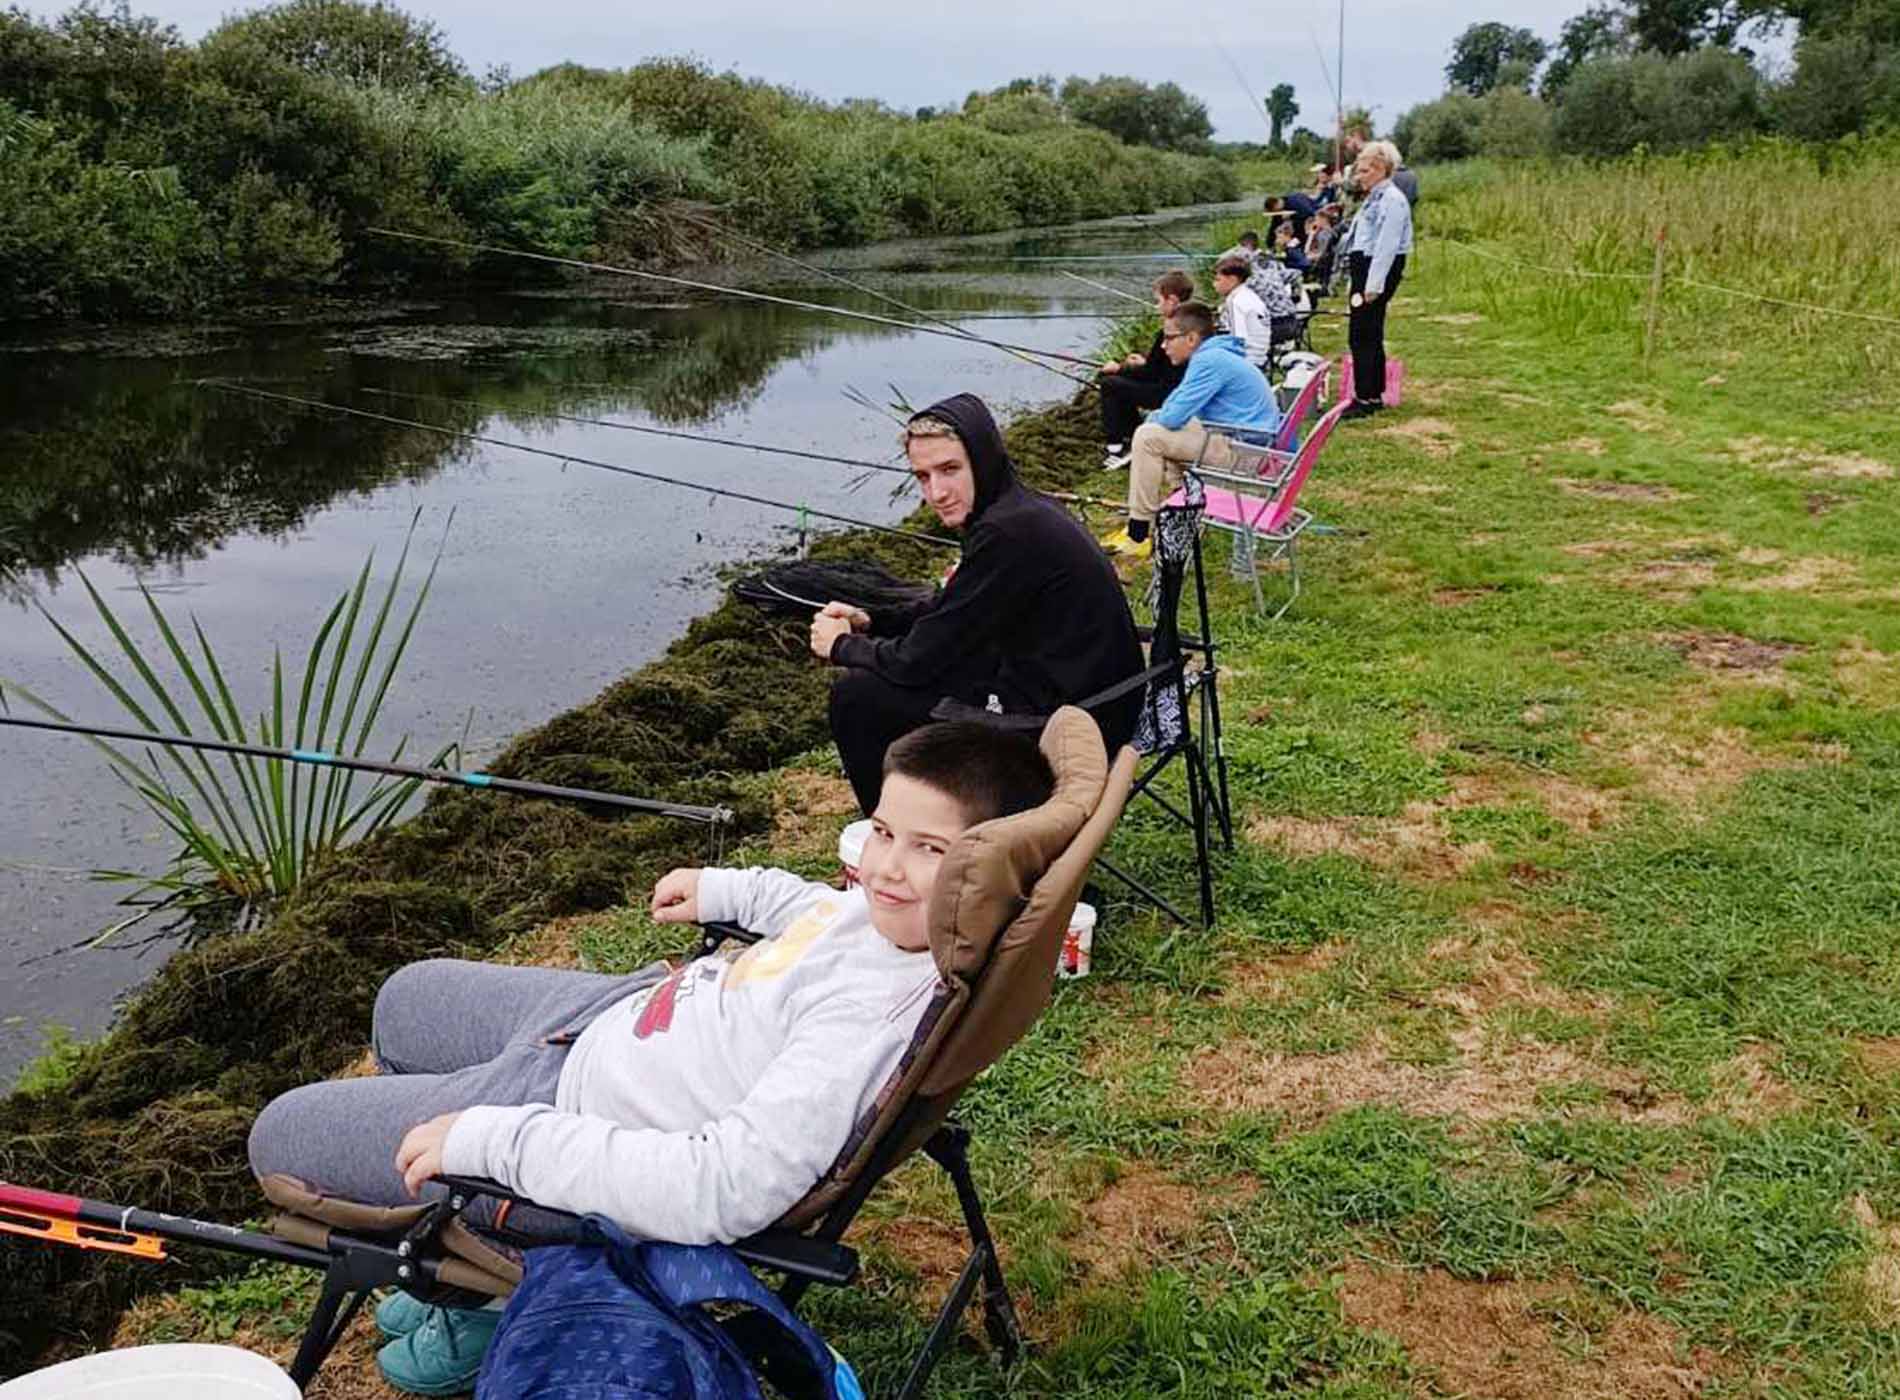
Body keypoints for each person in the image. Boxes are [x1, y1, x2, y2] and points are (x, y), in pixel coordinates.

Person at [246, 721, 1057, 1396]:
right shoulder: (898, 920)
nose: (885, 867)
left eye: (929, 848)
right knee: (403, 1000)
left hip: (564, 1115)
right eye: (882, 831)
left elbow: (719, 1187)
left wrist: (492, 1141)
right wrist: (730, 889)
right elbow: (824, 913)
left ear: (985, 873)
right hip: (608, 1019)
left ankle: (475, 1289)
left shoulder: (865, 1021)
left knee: (279, 1136)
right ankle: (456, 1269)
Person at [813, 394, 1142, 814]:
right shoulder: (1020, 508)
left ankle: (893, 830)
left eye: (949, 469)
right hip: (1090, 696)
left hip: (1074, 724)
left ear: (982, 459)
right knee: (929, 673)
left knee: (858, 697)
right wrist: (872, 621)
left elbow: (915, 662)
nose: (936, 493)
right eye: (923, 476)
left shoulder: (1007, 533)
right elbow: (954, 610)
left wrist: (842, 646)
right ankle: (920, 815)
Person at [1098, 300, 1281, 568]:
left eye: (1169, 338)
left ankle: (1138, 534)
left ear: (1192, 338)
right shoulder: (1215, 355)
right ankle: (1181, 510)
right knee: (1164, 428)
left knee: (1148, 438)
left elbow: (1172, 415)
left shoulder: (1208, 362)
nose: (1164, 346)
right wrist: (1159, 417)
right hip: (1251, 442)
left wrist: (1157, 419)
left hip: (1245, 453)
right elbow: (1176, 407)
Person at [1342, 139, 1413, 420]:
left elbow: (1387, 244)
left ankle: (1366, 397)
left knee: (1363, 332)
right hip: (1364, 265)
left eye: (1365, 171)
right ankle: (1371, 390)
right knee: (1366, 331)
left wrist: (1373, 285)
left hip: (1376, 266)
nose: (1359, 177)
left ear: (1382, 169)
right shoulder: (1374, 198)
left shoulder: (1392, 200)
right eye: (1359, 171)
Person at [1096, 269, 1193, 470]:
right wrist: (1140, 364)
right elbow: (1158, 366)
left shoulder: (1172, 329)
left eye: (1158, 301)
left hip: (1169, 392)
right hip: (1175, 385)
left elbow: (1151, 373)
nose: (1157, 306)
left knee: (1109, 383)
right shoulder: (1194, 321)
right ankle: (1134, 435)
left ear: (1172, 300)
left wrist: (1119, 368)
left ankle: (1115, 449)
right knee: (1120, 383)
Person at [1213, 255, 1273, 370]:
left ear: (1232, 280)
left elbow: (1238, 338)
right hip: (1261, 356)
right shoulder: (1249, 295)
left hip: (1247, 361)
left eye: (1218, 280)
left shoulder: (1235, 300)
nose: (1214, 284)